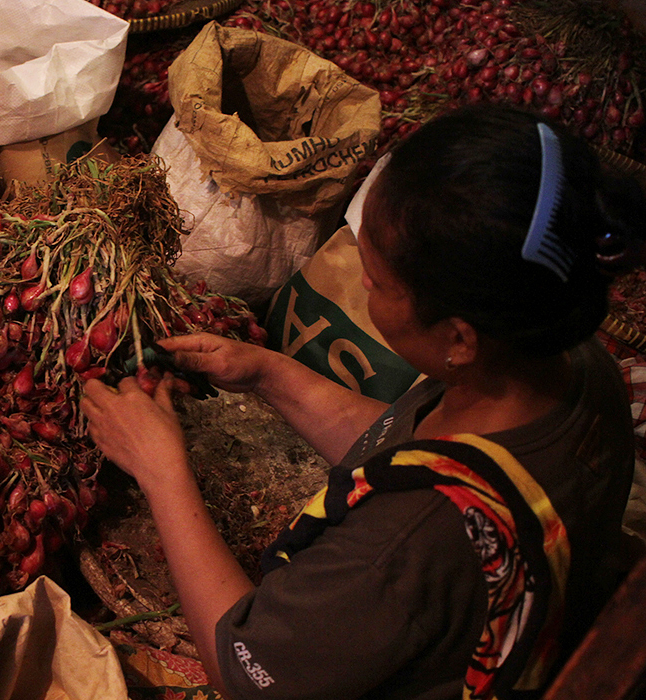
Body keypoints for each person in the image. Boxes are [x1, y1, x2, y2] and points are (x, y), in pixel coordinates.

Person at [81, 104, 645, 699]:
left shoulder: (403, 549)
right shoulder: (571, 361)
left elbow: (245, 673)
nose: (364, 288)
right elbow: (411, 448)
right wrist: (272, 374)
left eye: (374, 282)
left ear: (458, 338)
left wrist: (161, 471)